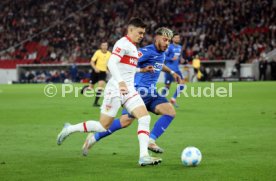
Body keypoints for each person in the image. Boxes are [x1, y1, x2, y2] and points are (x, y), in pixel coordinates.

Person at [57, 17, 162, 166]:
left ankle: (143, 156)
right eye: (140, 32)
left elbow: (126, 67)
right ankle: (70, 129)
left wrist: (141, 69)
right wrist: (120, 83)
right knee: (102, 126)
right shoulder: (122, 43)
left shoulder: (133, 47)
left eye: (143, 33)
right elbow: (111, 63)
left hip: (129, 90)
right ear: (130, 30)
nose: (142, 36)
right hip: (115, 89)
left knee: (144, 118)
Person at [82, 27, 181, 156]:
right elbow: (128, 62)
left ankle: (150, 140)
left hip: (151, 93)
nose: (167, 43)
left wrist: (172, 72)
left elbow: (159, 64)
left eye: (169, 40)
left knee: (170, 112)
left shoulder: (161, 53)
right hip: (138, 92)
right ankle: (93, 138)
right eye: (165, 40)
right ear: (156, 38)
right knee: (124, 122)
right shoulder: (145, 51)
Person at [81, 41, 111, 107]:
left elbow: (109, 63)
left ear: (107, 46)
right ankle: (84, 88)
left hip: (103, 72)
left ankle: (95, 103)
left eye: (106, 45)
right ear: (101, 46)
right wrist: (95, 68)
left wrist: (108, 70)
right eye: (103, 45)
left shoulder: (109, 54)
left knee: (100, 87)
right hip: (95, 72)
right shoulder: (98, 52)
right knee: (90, 88)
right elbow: (92, 62)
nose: (104, 46)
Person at [162, 33, 186, 107]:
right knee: (167, 86)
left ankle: (172, 99)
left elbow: (179, 56)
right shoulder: (169, 47)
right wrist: (171, 59)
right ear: (172, 39)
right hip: (169, 69)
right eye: (176, 38)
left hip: (176, 69)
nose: (177, 39)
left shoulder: (179, 47)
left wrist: (181, 59)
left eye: (178, 38)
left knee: (182, 84)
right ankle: (161, 100)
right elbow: (164, 57)